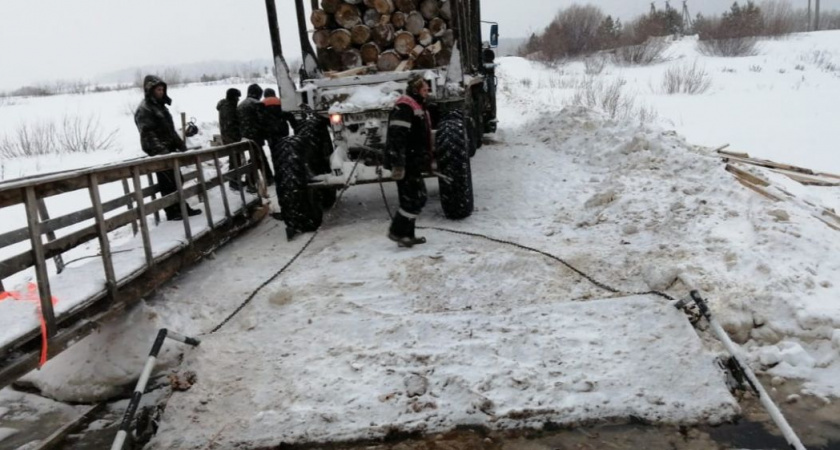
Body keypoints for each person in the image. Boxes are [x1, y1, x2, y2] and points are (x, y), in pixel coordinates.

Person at [134, 75, 201, 221]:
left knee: (177, 180)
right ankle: (172, 211)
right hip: (160, 154)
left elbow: (170, 131)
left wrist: (180, 144)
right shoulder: (144, 109)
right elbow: (148, 135)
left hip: (169, 152)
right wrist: (162, 151)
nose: (161, 92)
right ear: (150, 90)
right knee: (168, 184)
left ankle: (181, 207)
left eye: (162, 89)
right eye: (158, 89)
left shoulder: (160, 107)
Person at [384, 73, 432, 247]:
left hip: (413, 160)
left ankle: (407, 236)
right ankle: (397, 231)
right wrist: (398, 163)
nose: (428, 92)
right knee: (415, 198)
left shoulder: (416, 105)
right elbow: (398, 137)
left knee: (413, 198)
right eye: (425, 89)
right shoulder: (404, 107)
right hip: (406, 162)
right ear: (416, 89)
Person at [237, 83, 274, 188]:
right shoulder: (257, 104)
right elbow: (263, 121)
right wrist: (267, 134)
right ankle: (263, 179)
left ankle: (255, 179)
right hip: (256, 135)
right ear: (257, 94)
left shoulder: (241, 104)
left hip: (245, 136)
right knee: (260, 157)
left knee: (256, 157)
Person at [217, 87, 244, 190]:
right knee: (235, 160)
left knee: (234, 160)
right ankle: (234, 182)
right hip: (232, 139)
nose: (238, 100)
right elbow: (232, 125)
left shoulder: (225, 106)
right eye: (237, 97)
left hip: (228, 137)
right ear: (233, 97)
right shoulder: (229, 108)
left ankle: (235, 181)